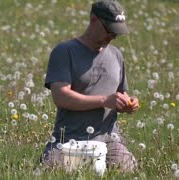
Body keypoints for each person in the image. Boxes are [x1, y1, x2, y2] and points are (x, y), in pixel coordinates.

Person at [42, 0, 139, 173]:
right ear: (93, 19)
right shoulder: (65, 51)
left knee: (127, 171)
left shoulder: (116, 55)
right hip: (68, 138)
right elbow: (61, 97)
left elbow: (121, 92)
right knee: (51, 171)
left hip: (108, 139)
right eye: (109, 30)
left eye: (116, 32)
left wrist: (128, 103)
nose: (113, 36)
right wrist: (104, 100)